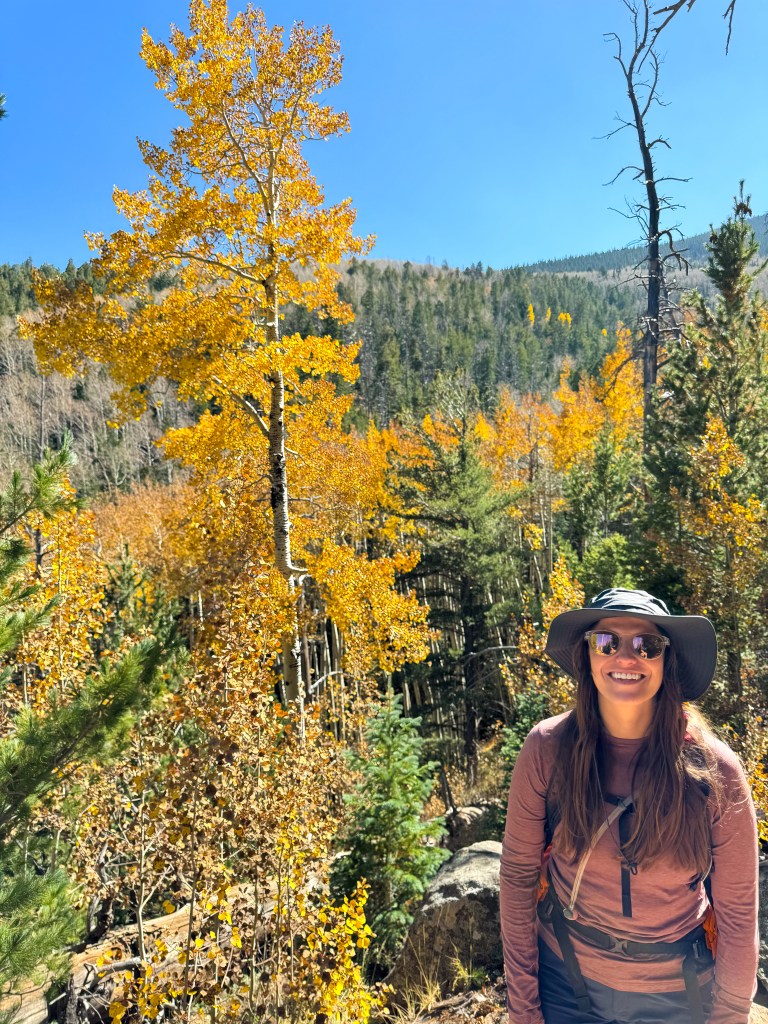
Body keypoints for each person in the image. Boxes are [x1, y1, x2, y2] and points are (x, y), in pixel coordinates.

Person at [499, 588, 759, 1024]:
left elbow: (737, 914)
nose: (625, 657)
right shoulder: (546, 749)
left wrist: (730, 1014)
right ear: (587, 656)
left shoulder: (715, 772)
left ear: (666, 660)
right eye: (606, 642)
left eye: (647, 645)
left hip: (678, 994)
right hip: (564, 982)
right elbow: (518, 877)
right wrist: (524, 1009)